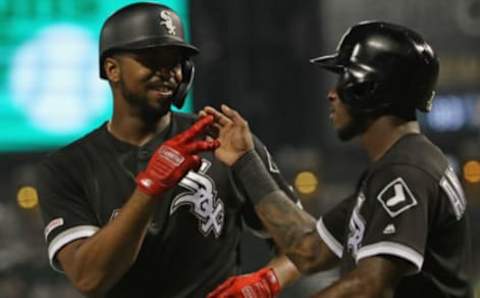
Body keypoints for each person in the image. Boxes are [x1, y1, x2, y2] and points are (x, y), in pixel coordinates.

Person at [35, 2, 299, 297]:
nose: (167, 72)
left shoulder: (224, 141)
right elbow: (88, 278)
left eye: (175, 61)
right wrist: (149, 187)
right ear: (112, 69)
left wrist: (269, 280)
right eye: (151, 59)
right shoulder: (67, 167)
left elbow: (305, 244)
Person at [206, 21, 473, 297]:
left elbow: (369, 287)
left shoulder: (405, 172)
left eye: (343, 79)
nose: (332, 94)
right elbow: (310, 251)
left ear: (369, 88)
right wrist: (246, 162)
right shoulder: (397, 166)